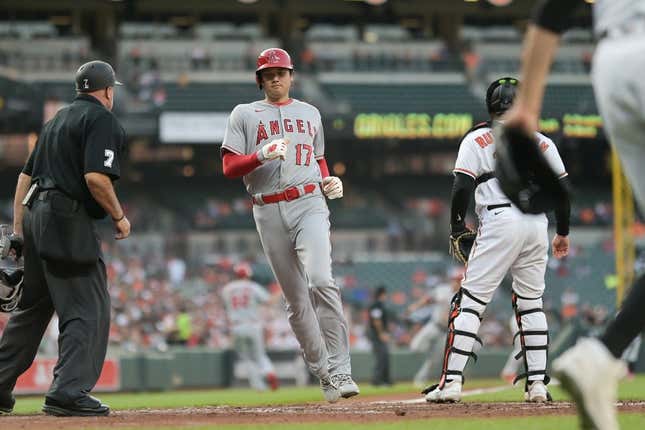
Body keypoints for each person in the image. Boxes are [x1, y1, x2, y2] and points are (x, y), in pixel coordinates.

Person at [503, 2, 645, 429]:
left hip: (613, 66)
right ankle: (601, 355)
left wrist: (526, 106)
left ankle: (601, 356)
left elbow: (553, 8)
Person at [220, 48, 358, 403]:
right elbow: (230, 167)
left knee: (322, 280)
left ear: (291, 75)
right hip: (266, 208)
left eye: (281, 72)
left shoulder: (310, 113)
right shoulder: (245, 114)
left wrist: (329, 180)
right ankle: (323, 371)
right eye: (269, 74)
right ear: (260, 80)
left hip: (309, 202)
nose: (276, 78)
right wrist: (260, 155)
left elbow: (318, 157)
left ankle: (341, 368)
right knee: (296, 302)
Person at [423, 77, 571, 403]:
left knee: (471, 301)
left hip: (500, 218)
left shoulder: (477, 139)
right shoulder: (542, 142)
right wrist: (563, 232)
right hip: (537, 224)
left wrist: (456, 225)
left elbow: (462, 186)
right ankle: (537, 386)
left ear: (490, 106)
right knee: (531, 303)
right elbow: (562, 193)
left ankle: (451, 383)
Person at [0, 60, 129, 416]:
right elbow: (96, 178)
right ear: (107, 90)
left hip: (37, 216)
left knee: (32, 308)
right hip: (66, 218)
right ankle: (67, 392)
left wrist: (18, 231)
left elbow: (24, 179)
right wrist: (119, 217)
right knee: (87, 307)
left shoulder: (55, 120)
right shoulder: (101, 119)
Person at [220, 262, 279, 391]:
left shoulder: (227, 289)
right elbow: (269, 301)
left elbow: (227, 306)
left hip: (236, 326)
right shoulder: (253, 287)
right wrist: (279, 291)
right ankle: (268, 371)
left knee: (248, 358)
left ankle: (259, 387)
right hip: (253, 325)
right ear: (248, 275)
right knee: (259, 355)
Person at [408, 270, 461, 387]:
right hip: (434, 325)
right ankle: (428, 350)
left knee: (435, 359)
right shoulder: (443, 290)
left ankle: (420, 379)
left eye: (458, 280)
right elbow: (428, 299)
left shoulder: (463, 297)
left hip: (447, 331)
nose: (456, 282)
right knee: (415, 347)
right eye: (454, 280)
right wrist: (415, 306)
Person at [368, 286, 392, 387]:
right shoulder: (376, 305)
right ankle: (377, 381)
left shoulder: (379, 305)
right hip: (377, 335)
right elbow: (376, 320)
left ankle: (386, 380)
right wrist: (381, 333)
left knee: (384, 357)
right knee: (381, 357)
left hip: (380, 334)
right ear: (382, 294)